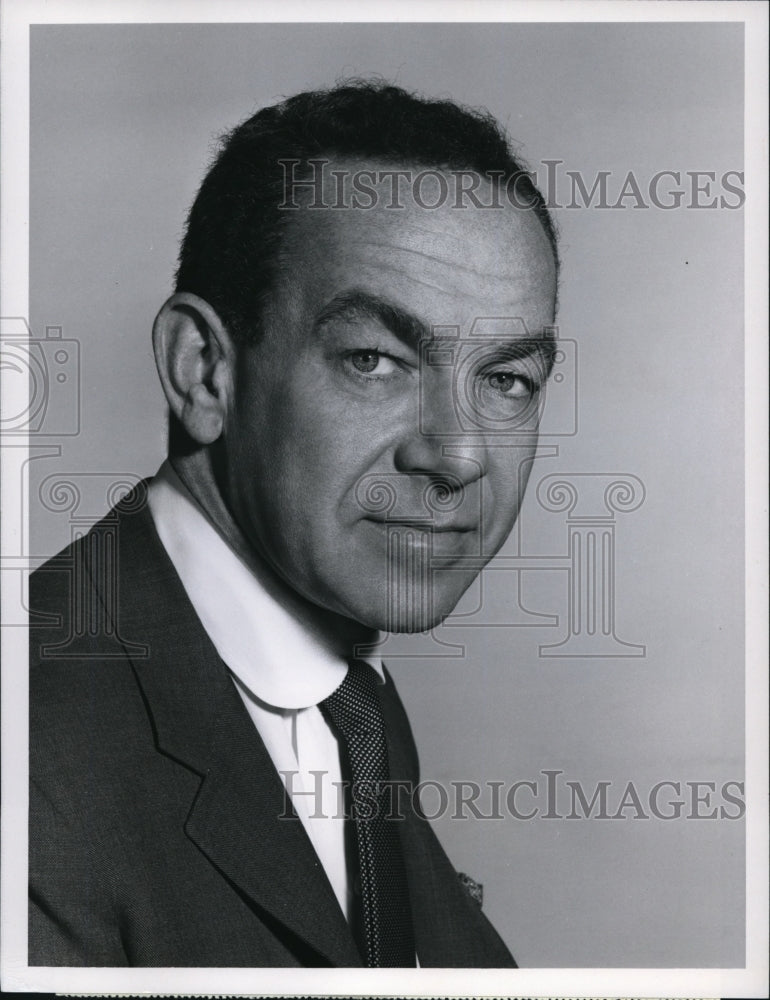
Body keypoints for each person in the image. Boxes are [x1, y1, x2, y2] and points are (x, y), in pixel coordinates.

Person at [28, 80, 558, 967]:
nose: (460, 457)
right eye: (374, 360)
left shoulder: (352, 714)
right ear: (204, 373)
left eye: (507, 380)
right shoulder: (36, 752)